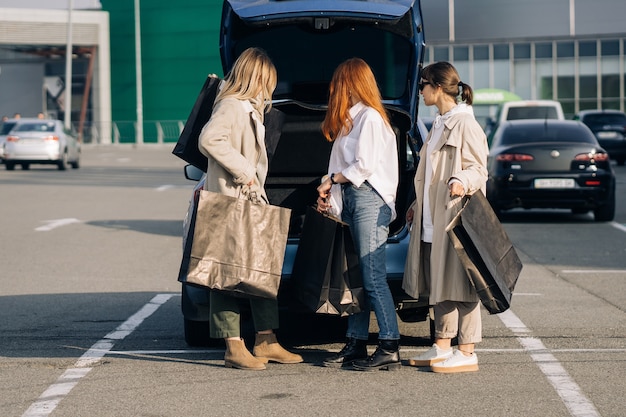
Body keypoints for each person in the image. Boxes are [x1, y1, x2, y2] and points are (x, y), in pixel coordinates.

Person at [197, 47, 303, 370]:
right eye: (267, 81)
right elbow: (208, 139)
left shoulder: (250, 110)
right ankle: (233, 345)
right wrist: (244, 171)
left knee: (261, 270)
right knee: (224, 275)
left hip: (248, 203)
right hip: (228, 203)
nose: (269, 89)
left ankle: (266, 340)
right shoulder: (230, 106)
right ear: (255, 77)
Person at [403, 61, 489, 373]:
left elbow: (479, 168)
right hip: (433, 216)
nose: (421, 90)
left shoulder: (464, 123)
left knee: (462, 283)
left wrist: (461, 181)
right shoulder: (441, 121)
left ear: (438, 88)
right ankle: (442, 345)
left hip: (455, 216)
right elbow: (428, 175)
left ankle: (466, 350)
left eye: (424, 84)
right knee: (439, 280)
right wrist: (416, 203)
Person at [316, 58, 401, 371]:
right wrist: (332, 203)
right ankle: (355, 344)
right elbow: (341, 171)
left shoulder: (370, 119)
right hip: (354, 199)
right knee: (357, 278)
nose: (334, 87)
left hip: (369, 200)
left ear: (351, 83)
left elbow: (363, 166)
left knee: (372, 276)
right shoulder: (351, 121)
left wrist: (331, 181)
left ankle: (390, 345)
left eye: (339, 81)